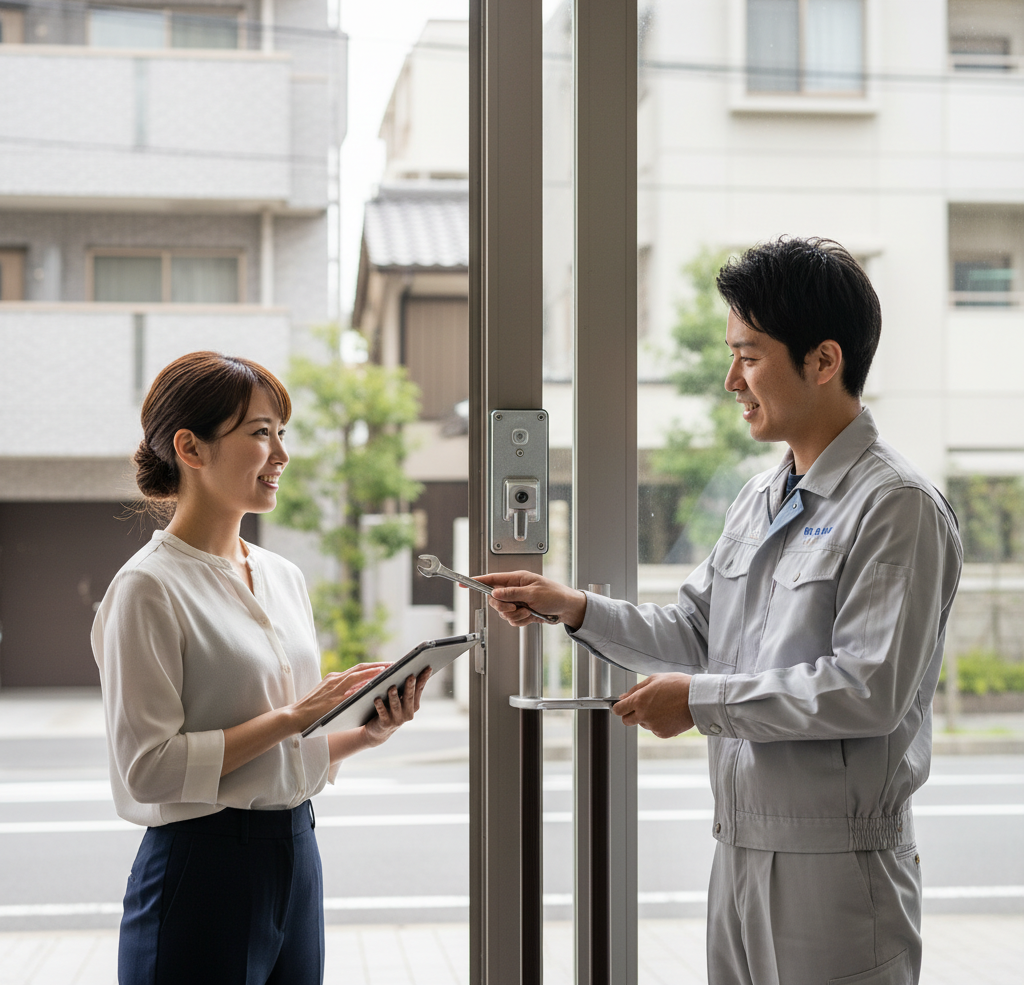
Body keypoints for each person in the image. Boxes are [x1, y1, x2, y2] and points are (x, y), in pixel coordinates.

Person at [480, 238, 963, 985]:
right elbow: (695, 634)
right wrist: (573, 608)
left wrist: (700, 703)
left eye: (749, 354)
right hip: (738, 847)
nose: (730, 377)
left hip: (836, 867)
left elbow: (868, 689)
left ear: (824, 360)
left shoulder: (895, 505)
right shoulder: (759, 497)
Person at [91, 351, 430, 985]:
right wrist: (297, 715)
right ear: (190, 448)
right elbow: (149, 770)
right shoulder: (148, 588)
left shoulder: (283, 577)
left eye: (282, 433)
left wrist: (365, 730)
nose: (281, 454)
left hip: (297, 854)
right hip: (201, 868)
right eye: (259, 433)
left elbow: (291, 748)